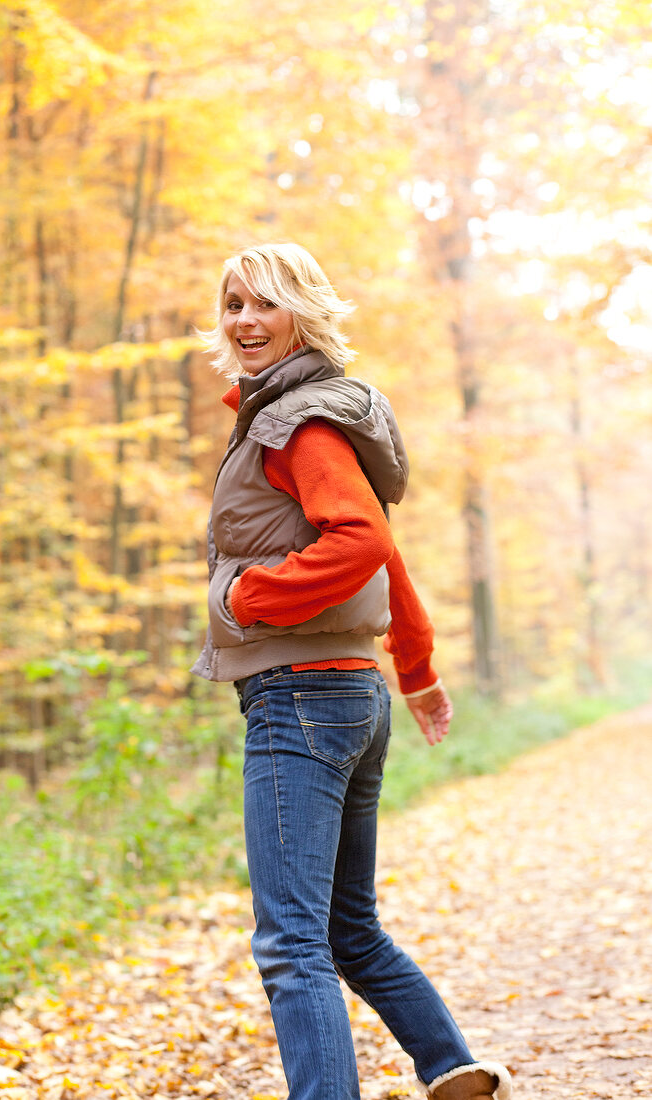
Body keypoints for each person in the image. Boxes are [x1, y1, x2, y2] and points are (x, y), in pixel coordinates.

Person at [192, 243, 512, 1100]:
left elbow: (360, 542)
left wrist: (253, 597)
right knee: (346, 930)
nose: (245, 320)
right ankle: (452, 1067)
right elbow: (385, 552)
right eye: (233, 304)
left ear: (304, 309)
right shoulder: (303, 413)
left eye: (266, 302)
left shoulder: (298, 421)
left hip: (300, 696)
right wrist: (413, 666)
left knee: (291, 943)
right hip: (347, 693)